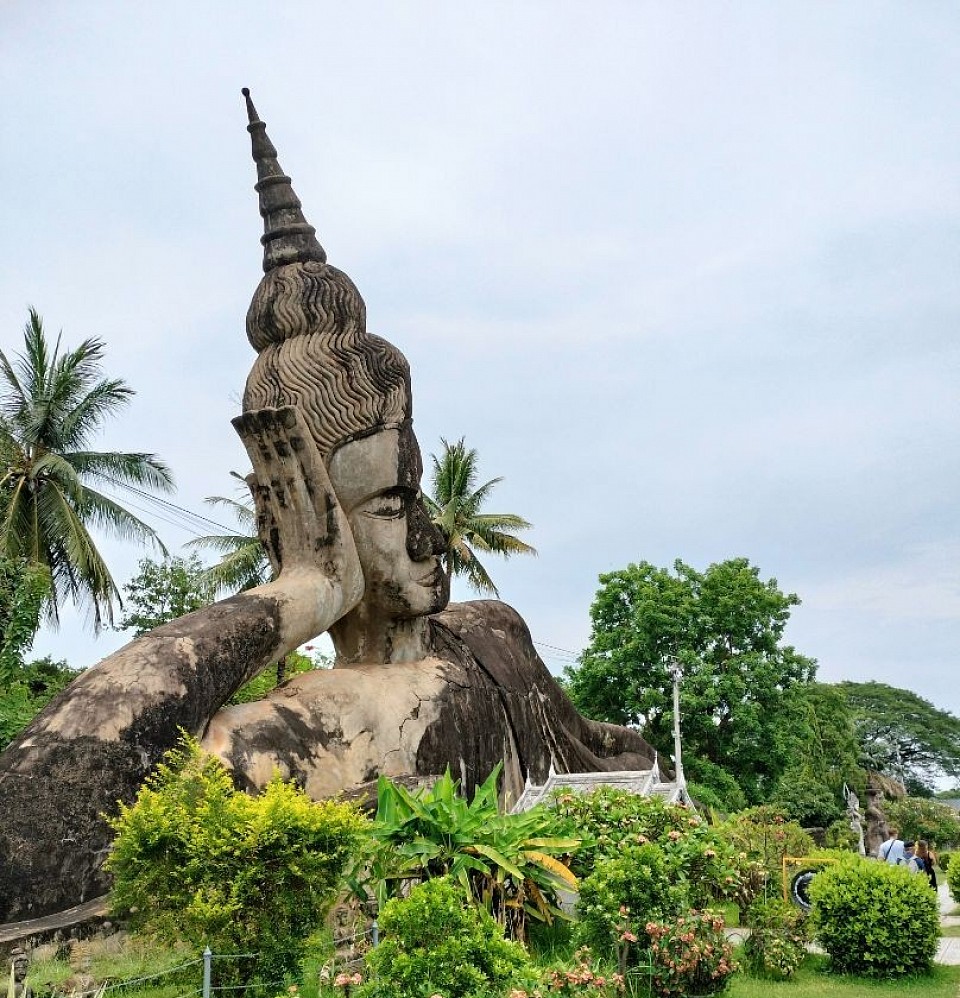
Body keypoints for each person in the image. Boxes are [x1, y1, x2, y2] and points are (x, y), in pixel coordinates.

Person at [0, 91, 661, 923]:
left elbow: (601, 751)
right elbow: (30, 838)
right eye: (389, 506)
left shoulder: (492, 635)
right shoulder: (306, 722)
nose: (428, 535)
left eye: (415, 495)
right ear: (305, 517)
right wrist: (303, 587)